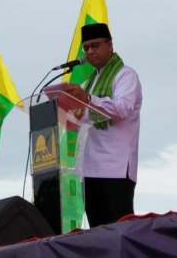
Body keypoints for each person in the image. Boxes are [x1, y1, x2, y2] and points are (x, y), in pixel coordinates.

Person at [64, 23, 143, 228]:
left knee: (121, 231)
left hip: (115, 168)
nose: (90, 51)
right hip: (89, 169)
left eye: (95, 45)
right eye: (86, 47)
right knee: (98, 235)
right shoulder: (89, 83)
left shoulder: (125, 75)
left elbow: (123, 109)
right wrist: (62, 110)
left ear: (110, 45)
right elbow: (79, 122)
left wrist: (88, 99)